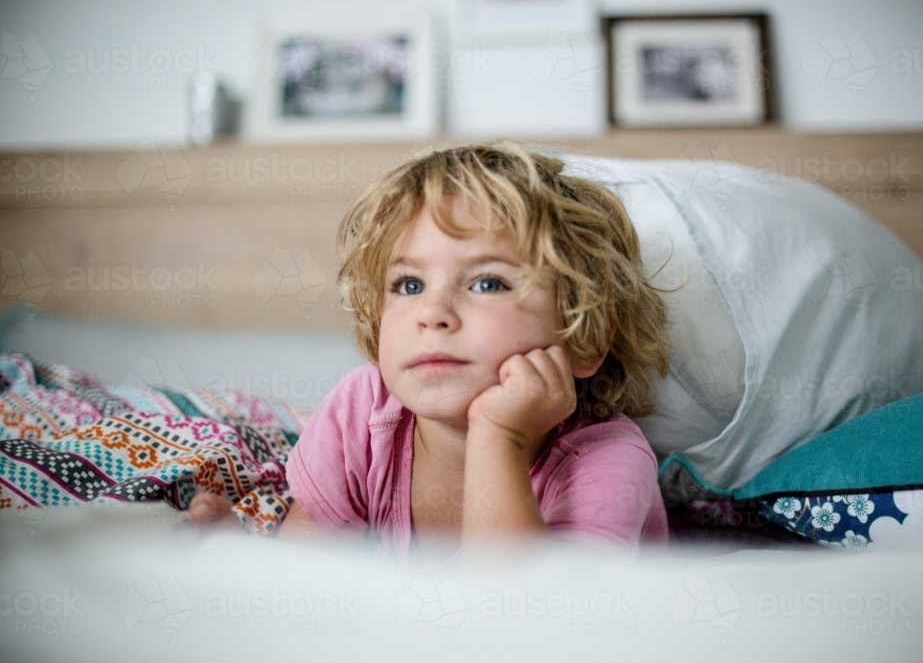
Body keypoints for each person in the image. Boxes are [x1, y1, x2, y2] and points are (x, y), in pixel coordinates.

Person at [191, 142, 670, 560]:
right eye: (409, 283)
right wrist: (245, 569)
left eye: (487, 282)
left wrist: (498, 436)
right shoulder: (361, 411)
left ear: (583, 337)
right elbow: (305, 578)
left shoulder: (608, 461)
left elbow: (527, 622)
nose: (433, 312)